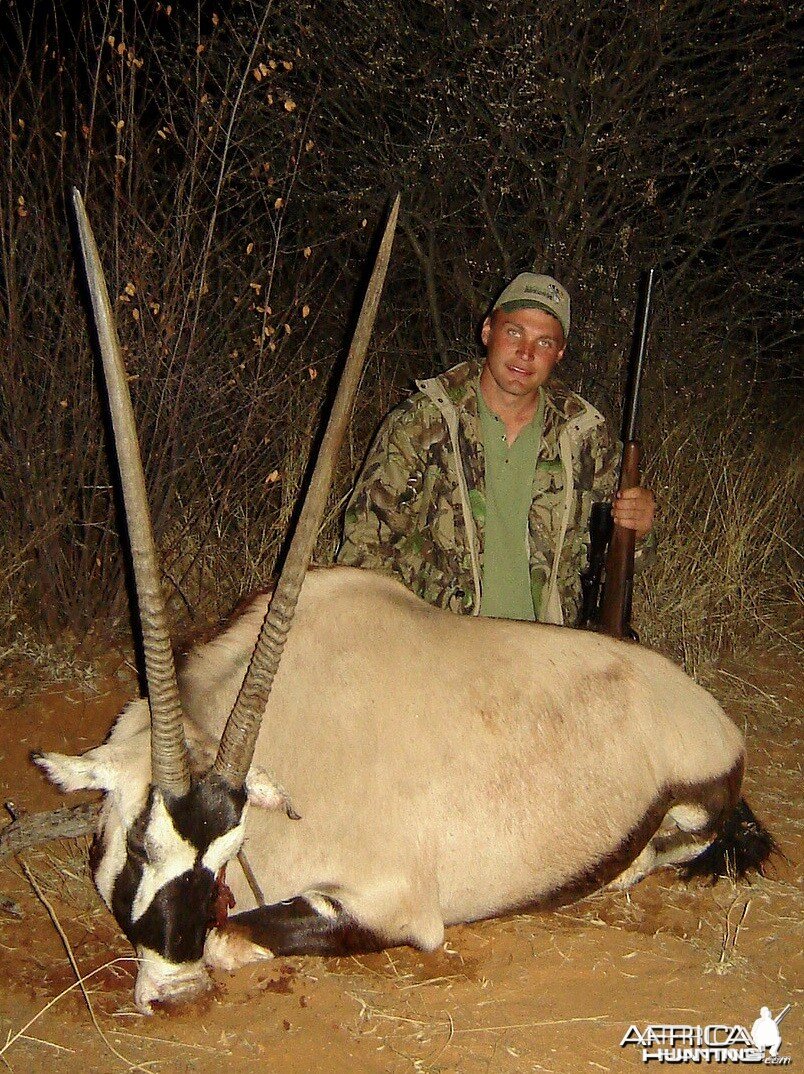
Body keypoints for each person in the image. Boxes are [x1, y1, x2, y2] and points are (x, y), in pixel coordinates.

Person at [337, 272, 655, 625]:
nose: (525, 353)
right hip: (442, 644)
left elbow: (614, 562)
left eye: (544, 342)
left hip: (548, 647)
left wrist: (638, 530)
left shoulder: (583, 435)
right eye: (514, 332)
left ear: (560, 353)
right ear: (488, 331)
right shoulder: (422, 422)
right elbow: (364, 546)